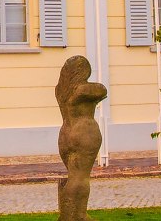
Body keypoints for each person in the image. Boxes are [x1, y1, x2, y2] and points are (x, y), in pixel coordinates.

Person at [55, 55, 107, 221]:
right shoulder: (84, 89)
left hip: (65, 133)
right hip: (84, 132)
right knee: (81, 177)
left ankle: (67, 213)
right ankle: (77, 215)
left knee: (73, 176)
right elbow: (102, 90)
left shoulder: (60, 90)